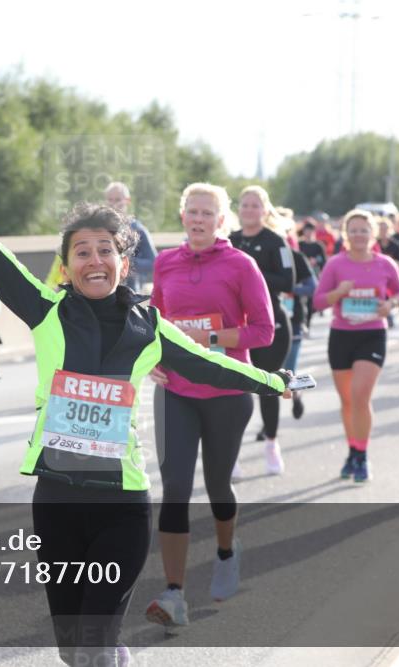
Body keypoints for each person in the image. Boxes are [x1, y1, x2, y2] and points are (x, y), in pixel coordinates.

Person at [0, 139, 292, 667]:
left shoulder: (149, 328)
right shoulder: (45, 312)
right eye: (82, 252)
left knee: (92, 650)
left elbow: (209, 364)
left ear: (123, 263)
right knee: (71, 650)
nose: (95, 260)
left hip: (121, 503)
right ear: (66, 267)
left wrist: (270, 381)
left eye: (106, 250)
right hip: (57, 503)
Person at [146, 183, 276, 626]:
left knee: (218, 485)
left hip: (227, 392)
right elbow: (154, 323)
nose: (199, 219)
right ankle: (174, 594)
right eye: (192, 211)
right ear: (183, 217)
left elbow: (263, 331)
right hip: (176, 392)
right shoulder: (166, 263)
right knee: (175, 489)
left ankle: (226, 551)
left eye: (208, 213)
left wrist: (209, 340)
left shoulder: (242, 265)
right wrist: (150, 361)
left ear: (223, 221)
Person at [314, 210, 399, 482]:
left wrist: (390, 304)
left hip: (372, 334)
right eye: (353, 230)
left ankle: (362, 455)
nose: (358, 235)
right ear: (345, 234)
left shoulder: (385, 264)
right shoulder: (335, 264)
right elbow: (319, 301)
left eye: (364, 230)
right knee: (347, 401)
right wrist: (338, 293)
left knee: (360, 395)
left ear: (373, 234)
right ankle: (352, 450)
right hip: (342, 335)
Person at [229, 185, 294, 477]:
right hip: (233, 327)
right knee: (232, 389)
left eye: (255, 205)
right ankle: (231, 453)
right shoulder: (227, 241)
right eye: (244, 205)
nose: (249, 210)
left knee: (268, 388)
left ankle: (271, 443)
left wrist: (249, 271)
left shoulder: (276, 242)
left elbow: (288, 281)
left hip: (271, 325)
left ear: (265, 210)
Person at [105, 181, 156, 292]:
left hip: (129, 293)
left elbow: (153, 262)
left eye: (118, 200)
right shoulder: (98, 229)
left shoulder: (137, 229)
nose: (113, 204)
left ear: (127, 201)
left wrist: (125, 262)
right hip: (103, 292)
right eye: (110, 200)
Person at [285, 249, 317, 419]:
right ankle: (267, 426)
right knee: (266, 372)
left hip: (293, 320)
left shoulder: (296, 257)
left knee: (289, 370)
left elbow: (312, 287)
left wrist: (289, 288)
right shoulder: (250, 254)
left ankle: (296, 395)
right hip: (264, 323)